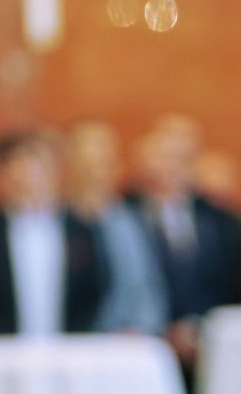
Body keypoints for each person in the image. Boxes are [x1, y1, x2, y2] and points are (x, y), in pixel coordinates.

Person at [0, 131, 103, 336]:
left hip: (70, 349)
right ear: (2, 174)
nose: (29, 174)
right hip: (2, 350)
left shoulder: (79, 229)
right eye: (18, 164)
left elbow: (95, 288)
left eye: (39, 163)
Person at [133, 119, 241, 363]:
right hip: (146, 343)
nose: (173, 167)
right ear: (146, 161)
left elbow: (226, 280)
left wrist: (196, 325)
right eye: (165, 157)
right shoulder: (126, 214)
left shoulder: (216, 219)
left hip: (205, 344)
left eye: (183, 158)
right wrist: (162, 328)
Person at [64, 120, 169, 335]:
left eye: (106, 162)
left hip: (128, 347)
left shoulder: (132, 221)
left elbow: (148, 287)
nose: (98, 172)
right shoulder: (57, 225)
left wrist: (143, 327)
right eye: (89, 163)